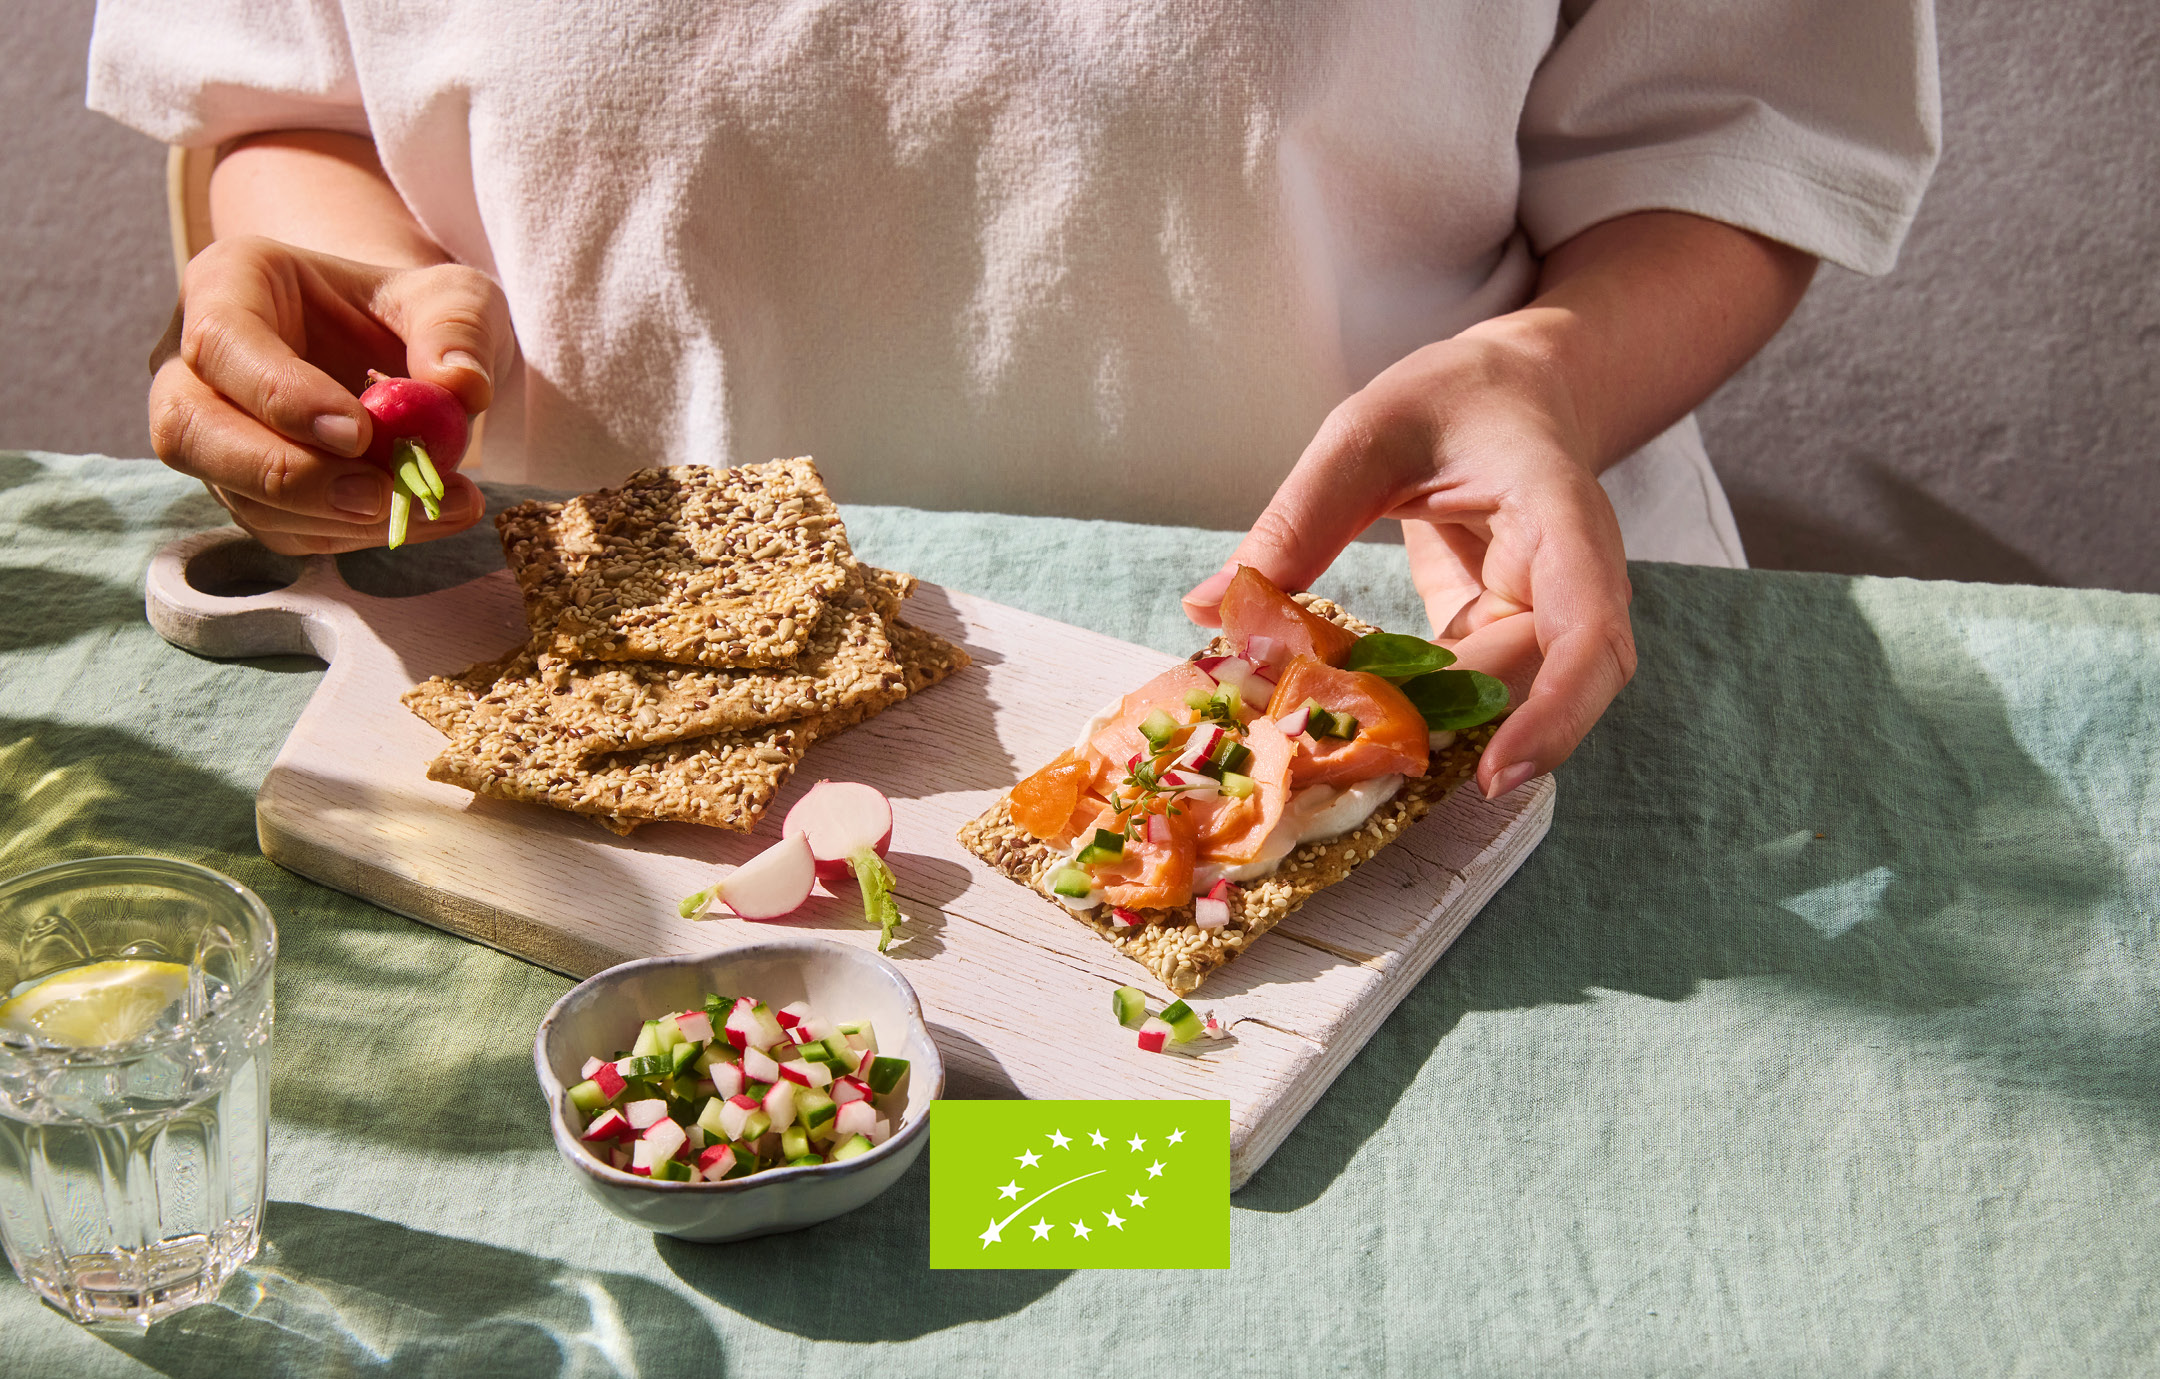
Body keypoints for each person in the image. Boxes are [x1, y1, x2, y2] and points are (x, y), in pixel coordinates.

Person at [88, 1, 1939, 801]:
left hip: (1394, 676)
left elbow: (1731, 131)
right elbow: (285, 101)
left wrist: (1547, 370)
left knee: (1193, 1284)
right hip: (621, 740)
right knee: (765, 1285)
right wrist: (331, 293)